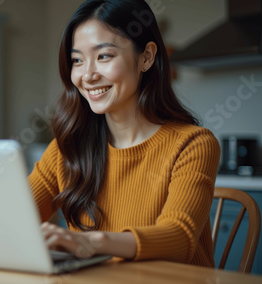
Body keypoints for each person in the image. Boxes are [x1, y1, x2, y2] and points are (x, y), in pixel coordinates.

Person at [29, 0, 221, 267]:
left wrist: (89, 243)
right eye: (77, 60)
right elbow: (14, 218)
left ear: (146, 57)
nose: (87, 75)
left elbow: (179, 238)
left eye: (104, 56)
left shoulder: (193, 144)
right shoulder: (68, 146)